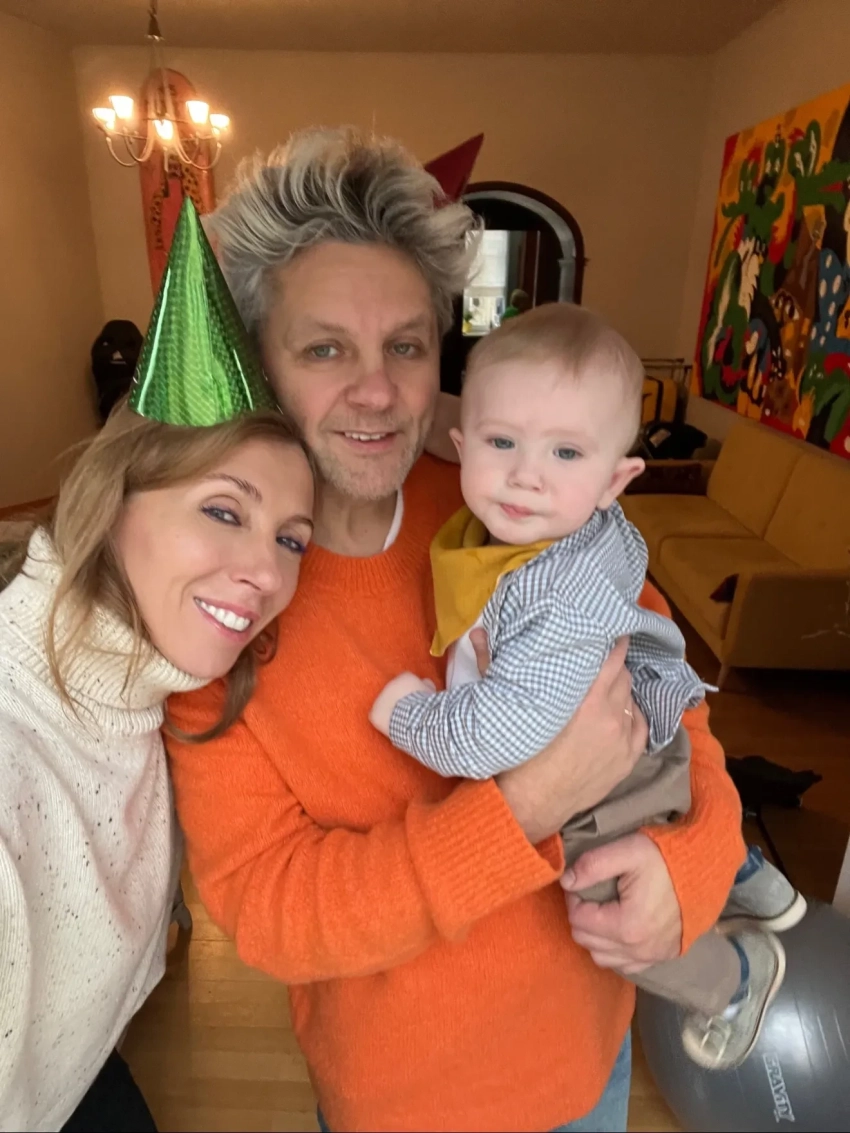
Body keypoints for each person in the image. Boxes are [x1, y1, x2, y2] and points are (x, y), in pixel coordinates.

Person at [166, 127, 746, 1133]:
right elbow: (270, 905)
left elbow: (674, 709)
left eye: (405, 345)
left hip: (586, 1063)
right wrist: (524, 805)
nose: (377, 390)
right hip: (401, 1100)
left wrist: (687, 870)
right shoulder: (219, 597)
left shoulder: (517, 498)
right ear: (262, 361)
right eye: (324, 348)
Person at [371, 302, 805, 1072]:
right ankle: (742, 868)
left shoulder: (557, 595)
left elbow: (492, 736)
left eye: (566, 452)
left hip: (613, 784)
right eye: (501, 442)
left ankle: (733, 981)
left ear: (616, 480)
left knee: (604, 914)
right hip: (647, 732)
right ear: (461, 443)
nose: (526, 474)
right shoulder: (568, 526)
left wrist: (408, 713)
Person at [0, 199, 314, 1133]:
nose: (267, 572)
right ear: (116, 495)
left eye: (292, 538)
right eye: (223, 509)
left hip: (82, 1073)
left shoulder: (160, 692)